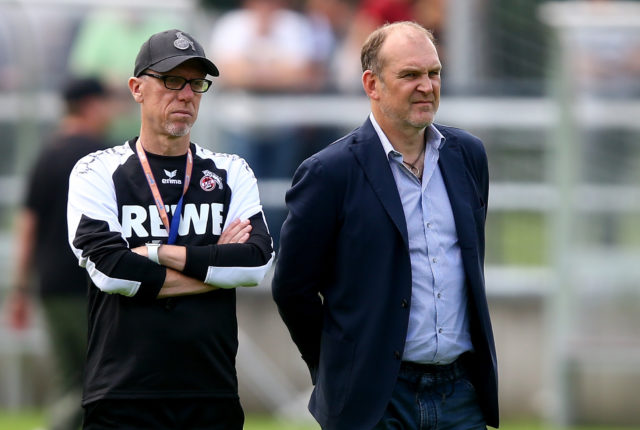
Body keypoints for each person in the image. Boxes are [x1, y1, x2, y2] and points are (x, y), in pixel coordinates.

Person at [272, 21, 498, 429]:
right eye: (410, 75)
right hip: (375, 401)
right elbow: (292, 289)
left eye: (434, 73)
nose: (427, 86)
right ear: (372, 84)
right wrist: (339, 367)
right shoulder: (329, 172)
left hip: (461, 394)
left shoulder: (468, 156)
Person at [66, 29, 274, 429]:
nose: (186, 94)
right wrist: (215, 269)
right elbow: (110, 270)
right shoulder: (97, 171)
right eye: (171, 80)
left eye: (196, 83)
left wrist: (156, 252)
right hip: (122, 392)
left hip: (210, 390)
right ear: (136, 88)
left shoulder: (231, 171)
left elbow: (255, 264)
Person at [5, 76, 114, 430]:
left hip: (50, 285)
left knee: (72, 380)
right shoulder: (102, 157)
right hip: (87, 285)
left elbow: (27, 227)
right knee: (98, 381)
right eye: (108, 103)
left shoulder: (46, 156)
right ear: (91, 105)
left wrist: (20, 289)